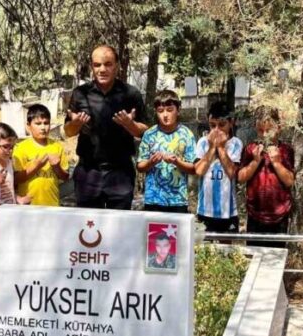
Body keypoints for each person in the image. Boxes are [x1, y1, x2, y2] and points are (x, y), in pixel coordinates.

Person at [64, 45, 148, 209]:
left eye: (108, 64)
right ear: (91, 67)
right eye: (97, 65)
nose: (102, 69)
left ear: (117, 66)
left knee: (119, 227)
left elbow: (144, 131)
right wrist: (75, 123)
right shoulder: (80, 93)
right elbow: (68, 132)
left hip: (120, 173)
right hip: (88, 172)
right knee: (88, 227)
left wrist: (130, 124)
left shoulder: (131, 94)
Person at [238, 106, 295, 246]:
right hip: (255, 214)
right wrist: (256, 161)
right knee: (254, 255)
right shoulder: (250, 149)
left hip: (279, 214)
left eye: (269, 131)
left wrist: (276, 162)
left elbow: (289, 181)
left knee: (277, 256)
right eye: (260, 130)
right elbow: (240, 177)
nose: (264, 135)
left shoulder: (285, 150)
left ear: (279, 128)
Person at [137, 90, 197, 214]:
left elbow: (193, 168)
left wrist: (177, 162)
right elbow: (140, 166)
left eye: (170, 110)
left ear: (178, 110)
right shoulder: (149, 134)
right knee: (154, 233)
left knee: (177, 233)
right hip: (153, 200)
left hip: (178, 200)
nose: (165, 115)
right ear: (156, 112)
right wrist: (151, 162)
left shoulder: (187, 134)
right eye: (160, 111)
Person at [194, 101, 244, 232]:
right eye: (212, 125)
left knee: (227, 249)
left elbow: (232, 172)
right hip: (205, 209)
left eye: (221, 125)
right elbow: (199, 171)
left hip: (228, 211)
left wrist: (221, 147)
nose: (216, 130)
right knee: (203, 248)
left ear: (231, 122)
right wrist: (211, 148)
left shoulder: (236, 144)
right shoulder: (203, 142)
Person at [13, 104, 69, 206]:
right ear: (28, 126)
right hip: (29, 205)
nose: (43, 127)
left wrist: (57, 167)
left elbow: (65, 177)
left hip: (52, 203)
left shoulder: (57, 146)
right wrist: (36, 166)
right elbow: (15, 179)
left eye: (46, 123)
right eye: (38, 123)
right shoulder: (20, 148)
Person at [0, 122, 26, 206]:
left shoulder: (10, 162)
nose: (10, 150)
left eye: (12, 147)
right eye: (5, 147)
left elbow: (10, 190)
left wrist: (17, 198)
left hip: (10, 212)